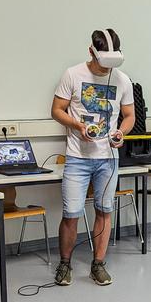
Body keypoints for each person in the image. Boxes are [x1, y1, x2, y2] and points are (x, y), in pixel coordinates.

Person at [51, 28, 135, 287]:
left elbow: (129, 116)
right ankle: (65, 264)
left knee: (104, 210)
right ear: (91, 51)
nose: (106, 69)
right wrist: (77, 126)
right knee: (71, 213)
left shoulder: (122, 80)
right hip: (77, 157)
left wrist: (121, 132)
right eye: (102, 62)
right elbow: (57, 110)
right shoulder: (72, 74)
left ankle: (98, 264)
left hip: (108, 158)